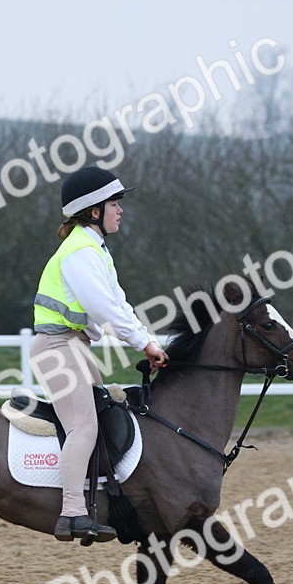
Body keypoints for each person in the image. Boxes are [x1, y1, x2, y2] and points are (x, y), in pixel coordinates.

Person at [31, 165, 169, 544]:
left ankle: (101, 501)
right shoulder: (80, 251)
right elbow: (104, 310)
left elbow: (119, 304)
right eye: (115, 203)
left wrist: (148, 339)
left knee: (104, 412)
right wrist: (144, 344)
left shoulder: (94, 249)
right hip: (58, 347)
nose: (121, 209)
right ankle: (72, 512)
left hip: (73, 346)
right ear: (95, 211)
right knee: (84, 426)